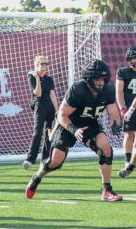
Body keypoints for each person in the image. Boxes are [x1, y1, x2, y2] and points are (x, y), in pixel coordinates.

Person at [25, 59, 124, 201]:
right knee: (55, 161)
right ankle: (37, 177)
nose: (101, 82)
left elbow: (112, 111)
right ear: (88, 79)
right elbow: (61, 114)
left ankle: (106, 190)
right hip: (69, 124)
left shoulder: (108, 89)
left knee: (106, 149)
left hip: (90, 123)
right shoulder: (77, 89)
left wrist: (117, 125)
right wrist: (74, 129)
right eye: (97, 79)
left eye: (103, 79)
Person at [23, 56, 58, 170]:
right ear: (36, 65)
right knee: (37, 132)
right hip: (39, 105)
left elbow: (52, 94)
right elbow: (37, 93)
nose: (44, 66)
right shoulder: (31, 77)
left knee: (49, 133)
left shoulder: (49, 79)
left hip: (50, 107)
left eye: (46, 64)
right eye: (42, 64)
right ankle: (30, 159)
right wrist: (37, 78)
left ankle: (45, 159)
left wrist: (57, 111)